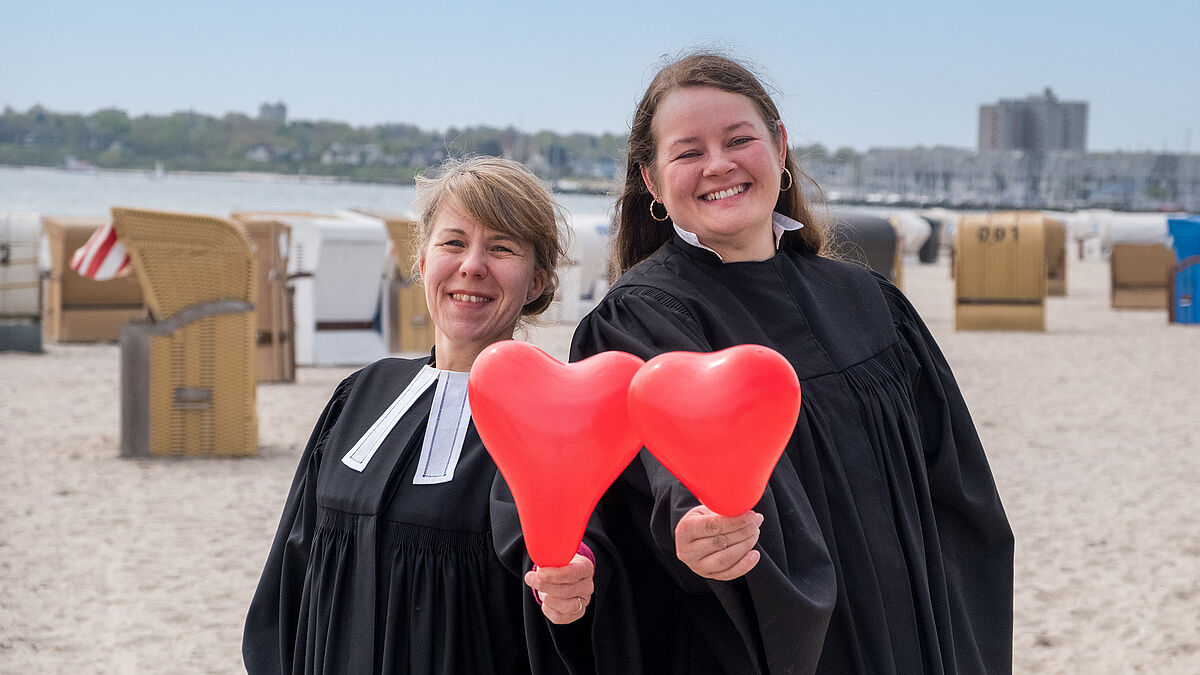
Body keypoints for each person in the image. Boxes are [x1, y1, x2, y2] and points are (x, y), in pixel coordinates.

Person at [569, 52, 1014, 673]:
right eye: (688, 151)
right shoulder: (641, 320)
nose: (718, 165)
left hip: (910, 641)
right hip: (756, 649)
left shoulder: (871, 303)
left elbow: (958, 502)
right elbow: (660, 479)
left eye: (739, 139)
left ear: (780, 147)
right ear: (652, 181)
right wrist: (697, 531)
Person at [243, 156, 597, 674]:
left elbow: (567, 576)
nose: (472, 265)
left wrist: (576, 586)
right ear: (424, 259)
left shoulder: (551, 420)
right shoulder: (361, 393)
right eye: (453, 242)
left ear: (538, 283)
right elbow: (290, 571)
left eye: (501, 248)